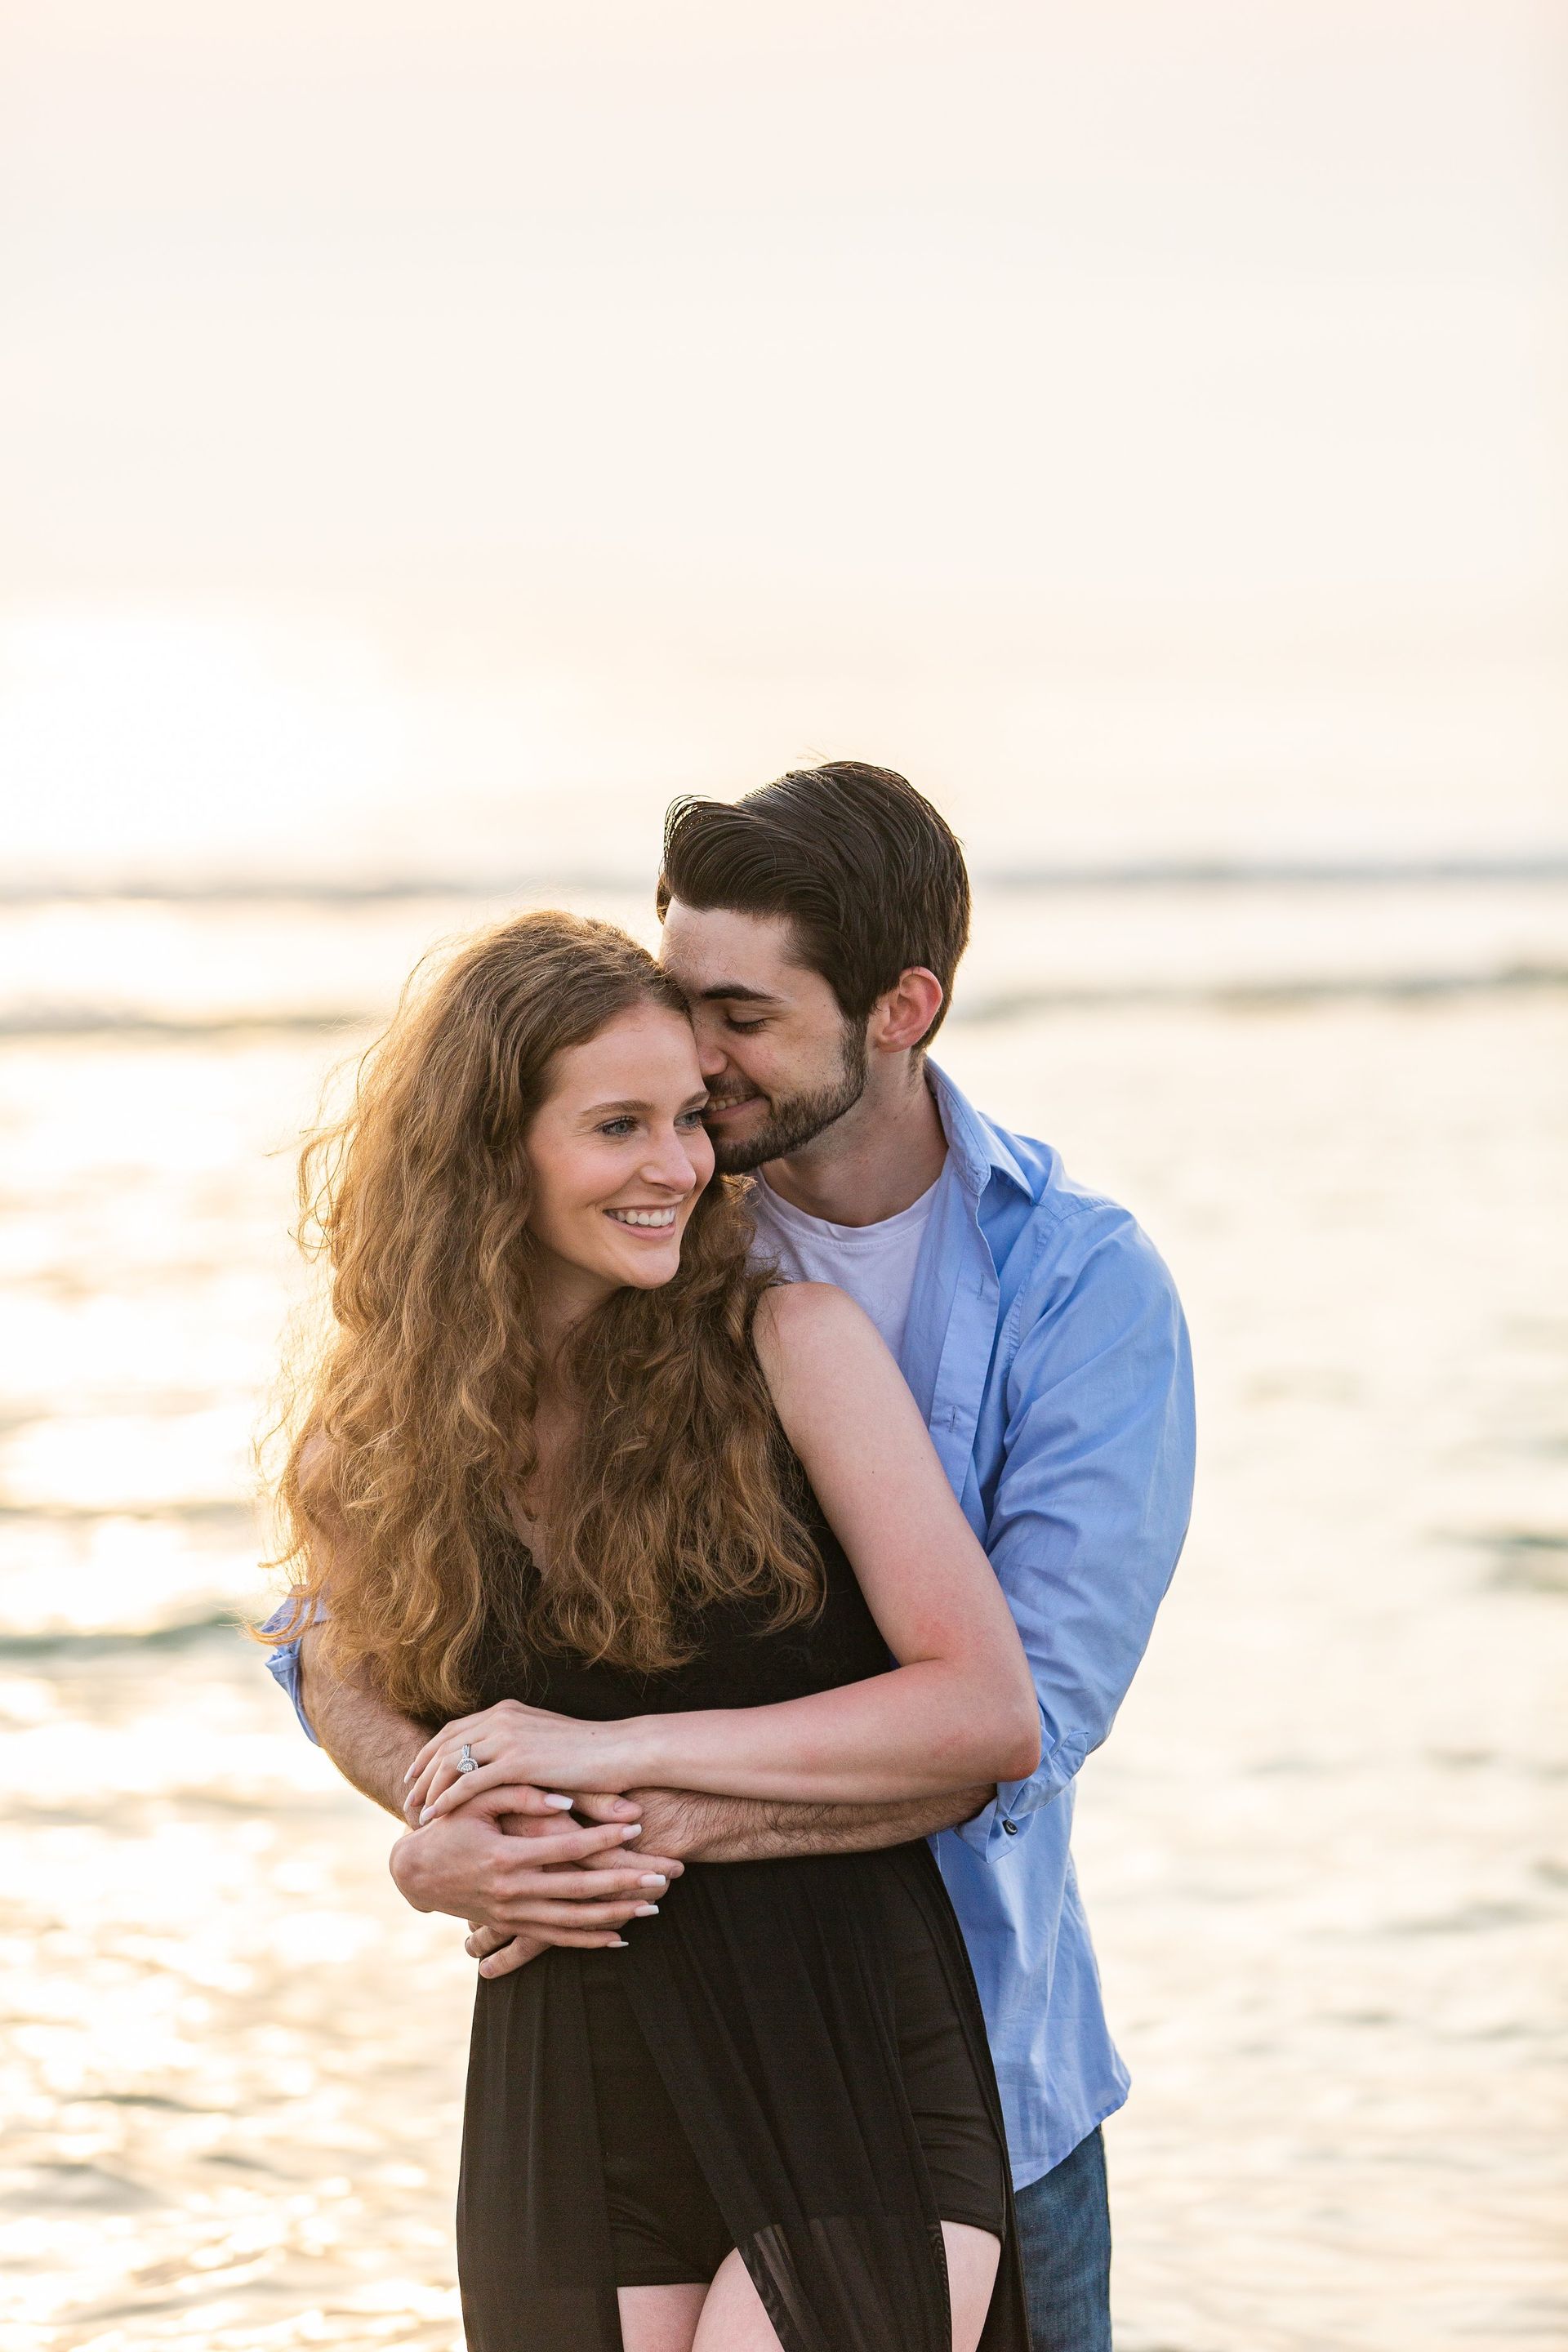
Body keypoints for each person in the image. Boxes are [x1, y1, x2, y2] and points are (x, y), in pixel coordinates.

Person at [268, 763, 1196, 2352]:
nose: (691, 1086)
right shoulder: (630, 1274)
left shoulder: (1047, 1288)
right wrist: (433, 1833)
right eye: (650, 1067)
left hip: (946, 2027)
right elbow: (332, 1632)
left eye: (733, 1028)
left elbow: (1009, 1728)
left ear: (898, 1008)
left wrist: (604, 1798)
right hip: (599, 2045)